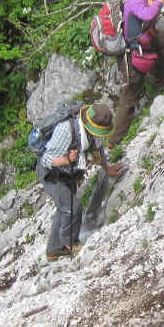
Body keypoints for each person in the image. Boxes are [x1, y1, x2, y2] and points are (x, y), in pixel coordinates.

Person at [39, 103, 126, 260]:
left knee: (63, 208)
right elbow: (46, 159)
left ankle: (54, 250)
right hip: (52, 174)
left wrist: (107, 168)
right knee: (73, 207)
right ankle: (70, 242)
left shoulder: (93, 133)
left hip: (70, 174)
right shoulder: (66, 129)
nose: (100, 135)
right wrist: (65, 159)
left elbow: (97, 150)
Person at [107, 0, 164, 148]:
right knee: (129, 96)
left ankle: (161, 80)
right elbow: (147, 15)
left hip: (143, 46)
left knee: (161, 39)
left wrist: (152, 4)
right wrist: (159, 2)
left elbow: (148, 17)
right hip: (134, 54)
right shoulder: (133, 1)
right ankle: (114, 140)